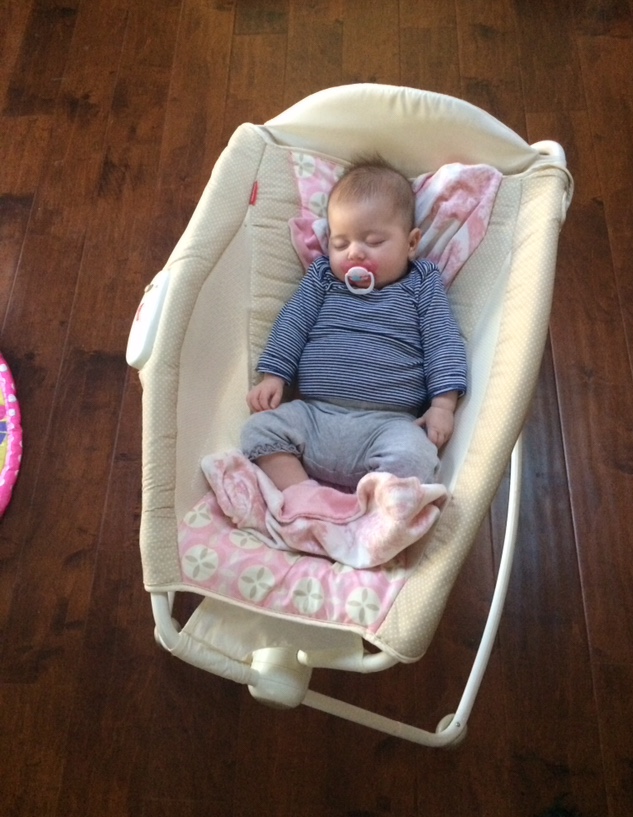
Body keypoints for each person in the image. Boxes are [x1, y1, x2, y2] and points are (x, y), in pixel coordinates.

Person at [241, 158, 467, 518]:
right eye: (340, 243)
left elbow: (443, 341)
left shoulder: (421, 283)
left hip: (389, 424)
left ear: (411, 243)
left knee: (417, 456)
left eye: (374, 241)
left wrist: (442, 405)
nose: (355, 252)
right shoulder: (323, 279)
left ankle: (373, 515)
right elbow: (292, 324)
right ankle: (304, 496)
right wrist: (274, 377)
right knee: (259, 430)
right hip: (314, 417)